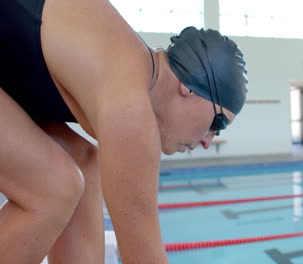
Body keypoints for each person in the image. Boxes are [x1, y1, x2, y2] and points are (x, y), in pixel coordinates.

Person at [0, 0, 248, 263]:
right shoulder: (130, 101)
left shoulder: (124, 70)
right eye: (218, 123)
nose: (209, 141)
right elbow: (143, 257)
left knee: (84, 164)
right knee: (54, 187)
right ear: (189, 87)